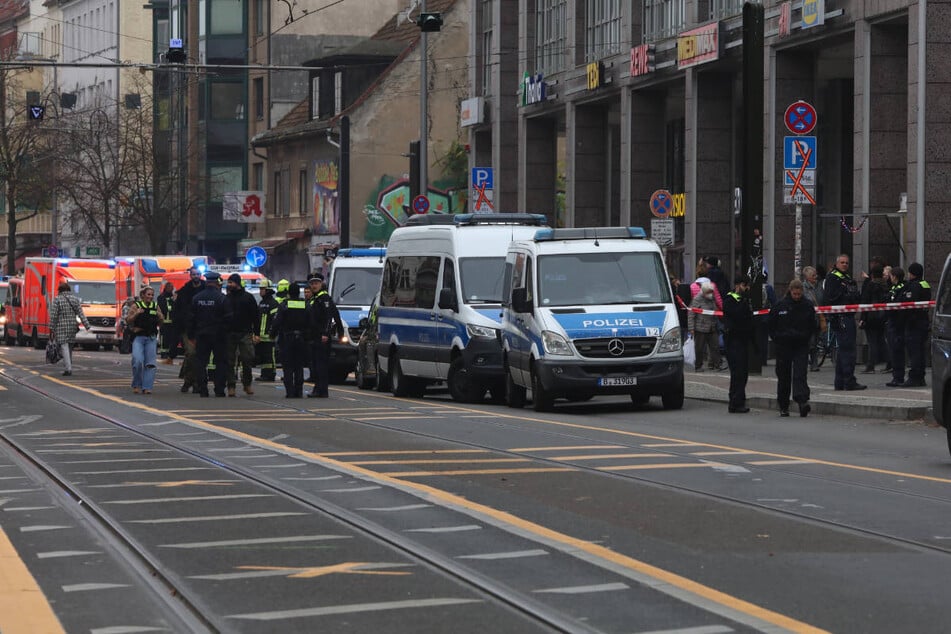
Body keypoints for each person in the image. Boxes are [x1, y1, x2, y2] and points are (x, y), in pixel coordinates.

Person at [768, 279, 818, 417]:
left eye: (799, 294)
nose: (797, 296)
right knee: (784, 376)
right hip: (784, 345)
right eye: (795, 294)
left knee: (800, 374)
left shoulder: (807, 305)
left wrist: (807, 337)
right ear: (790, 291)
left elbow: (812, 324)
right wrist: (777, 337)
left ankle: (802, 402)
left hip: (801, 344)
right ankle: (783, 405)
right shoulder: (780, 305)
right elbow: (771, 324)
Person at [823, 253, 866, 391]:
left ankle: (841, 381)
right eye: (842, 262)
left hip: (847, 315)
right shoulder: (832, 277)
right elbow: (832, 297)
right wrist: (847, 295)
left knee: (844, 350)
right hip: (840, 317)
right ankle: (849, 381)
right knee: (848, 349)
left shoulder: (847, 278)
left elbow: (856, 296)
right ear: (837, 263)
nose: (845, 265)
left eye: (847, 262)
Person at [189, 272, 232, 397]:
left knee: (201, 362)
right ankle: (219, 389)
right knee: (220, 362)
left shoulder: (197, 298)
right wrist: (225, 332)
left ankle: (203, 389)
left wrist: (191, 336)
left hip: (202, 335)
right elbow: (229, 318)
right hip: (219, 336)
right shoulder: (222, 298)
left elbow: (191, 318)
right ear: (217, 283)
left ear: (206, 282)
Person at [307, 273, 343, 398]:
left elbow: (329, 317)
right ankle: (319, 389)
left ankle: (321, 390)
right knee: (316, 365)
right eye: (312, 283)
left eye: (316, 283)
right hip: (314, 336)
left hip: (321, 337)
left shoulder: (324, 299)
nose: (314, 285)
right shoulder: (315, 299)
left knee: (320, 365)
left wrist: (325, 333)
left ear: (321, 284)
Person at [224, 273, 260, 396]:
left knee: (247, 359)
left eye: (231, 282)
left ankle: (247, 384)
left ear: (237, 283)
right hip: (230, 333)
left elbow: (255, 316)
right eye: (228, 283)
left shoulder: (248, 298)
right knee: (230, 361)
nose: (229, 285)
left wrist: (257, 333)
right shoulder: (227, 298)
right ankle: (231, 386)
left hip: (245, 333)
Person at [270, 282, 309, 398]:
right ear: (299, 292)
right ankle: (299, 391)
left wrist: (272, 334)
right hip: (301, 339)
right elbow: (311, 321)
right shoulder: (305, 304)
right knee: (299, 366)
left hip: (287, 339)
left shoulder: (284, 305)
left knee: (287, 367)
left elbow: (277, 322)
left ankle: (290, 392)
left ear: (288, 293)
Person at [722, 274, 754, 413]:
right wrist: (743, 303)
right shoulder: (729, 299)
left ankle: (739, 400)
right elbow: (737, 315)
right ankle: (735, 402)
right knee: (737, 373)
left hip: (743, 340)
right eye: (744, 285)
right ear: (738, 285)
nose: (746, 288)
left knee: (743, 373)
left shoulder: (744, 300)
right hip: (733, 340)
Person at [126, 286, 165, 395]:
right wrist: (136, 313)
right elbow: (128, 320)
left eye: (152, 295)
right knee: (137, 361)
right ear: (143, 295)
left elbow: (162, 321)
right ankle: (137, 384)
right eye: (148, 294)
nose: (150, 297)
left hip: (151, 338)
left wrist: (159, 316)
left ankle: (147, 387)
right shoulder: (136, 306)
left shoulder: (155, 306)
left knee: (150, 364)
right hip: (139, 337)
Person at [49, 281, 92, 376]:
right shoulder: (75, 299)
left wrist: (51, 328)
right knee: (69, 347)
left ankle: (68, 368)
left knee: (64, 346)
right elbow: (81, 314)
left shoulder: (57, 300)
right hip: (72, 327)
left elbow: (54, 315)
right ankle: (68, 365)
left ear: (60, 290)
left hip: (61, 327)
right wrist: (87, 326)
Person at [174, 267, 206, 393]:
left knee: (199, 356)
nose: (196, 276)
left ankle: (193, 380)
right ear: (190, 276)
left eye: (198, 274)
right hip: (188, 328)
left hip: (203, 328)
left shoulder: (206, 289)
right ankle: (190, 381)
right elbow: (178, 311)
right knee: (191, 354)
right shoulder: (184, 291)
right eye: (193, 274)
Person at [900, 262, 931, 387]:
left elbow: (908, 302)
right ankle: (920, 376)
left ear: (912, 273)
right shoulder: (925, 284)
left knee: (914, 351)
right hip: (923, 320)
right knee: (920, 350)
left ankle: (914, 377)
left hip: (914, 323)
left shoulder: (913, 286)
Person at [859, 263, 889, 373]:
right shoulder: (885, 285)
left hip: (871, 317)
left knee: (872, 342)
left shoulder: (870, 285)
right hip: (882, 317)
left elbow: (865, 302)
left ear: (872, 275)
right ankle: (890, 362)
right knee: (882, 340)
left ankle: (871, 365)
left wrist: (862, 318)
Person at [687, 282, 721, 373]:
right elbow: (691, 314)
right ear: (704, 291)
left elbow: (714, 310)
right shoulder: (697, 299)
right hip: (700, 327)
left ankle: (716, 364)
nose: (710, 293)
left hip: (712, 326)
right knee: (699, 348)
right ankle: (698, 366)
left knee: (715, 346)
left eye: (711, 292)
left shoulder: (712, 298)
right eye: (709, 292)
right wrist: (691, 328)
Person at [885, 266, 907, 387]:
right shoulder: (894, 287)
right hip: (893, 323)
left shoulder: (899, 288)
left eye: (891, 276)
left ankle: (898, 377)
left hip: (896, 324)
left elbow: (894, 305)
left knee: (896, 352)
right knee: (894, 351)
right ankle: (897, 376)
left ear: (894, 276)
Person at [802, 266, 825, 371]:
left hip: (818, 319)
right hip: (808, 320)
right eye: (813, 275)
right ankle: (808, 363)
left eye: (816, 275)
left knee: (815, 342)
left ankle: (814, 364)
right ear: (807, 277)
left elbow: (823, 300)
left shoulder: (819, 287)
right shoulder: (803, 288)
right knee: (810, 343)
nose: (816, 277)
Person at [255, 279, 279, 382]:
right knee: (264, 356)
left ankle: (271, 374)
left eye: (262, 289)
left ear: (268, 290)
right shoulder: (261, 303)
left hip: (269, 336)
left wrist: (272, 332)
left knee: (270, 356)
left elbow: (275, 320)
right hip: (261, 336)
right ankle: (264, 374)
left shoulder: (273, 303)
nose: (260, 291)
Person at [157, 282, 178, 364]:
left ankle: (170, 353)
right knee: (164, 338)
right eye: (169, 287)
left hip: (172, 322)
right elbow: (162, 307)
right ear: (166, 288)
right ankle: (163, 353)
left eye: (172, 288)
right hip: (164, 321)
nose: (171, 289)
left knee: (172, 338)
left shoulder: (173, 298)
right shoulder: (161, 297)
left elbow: (175, 307)